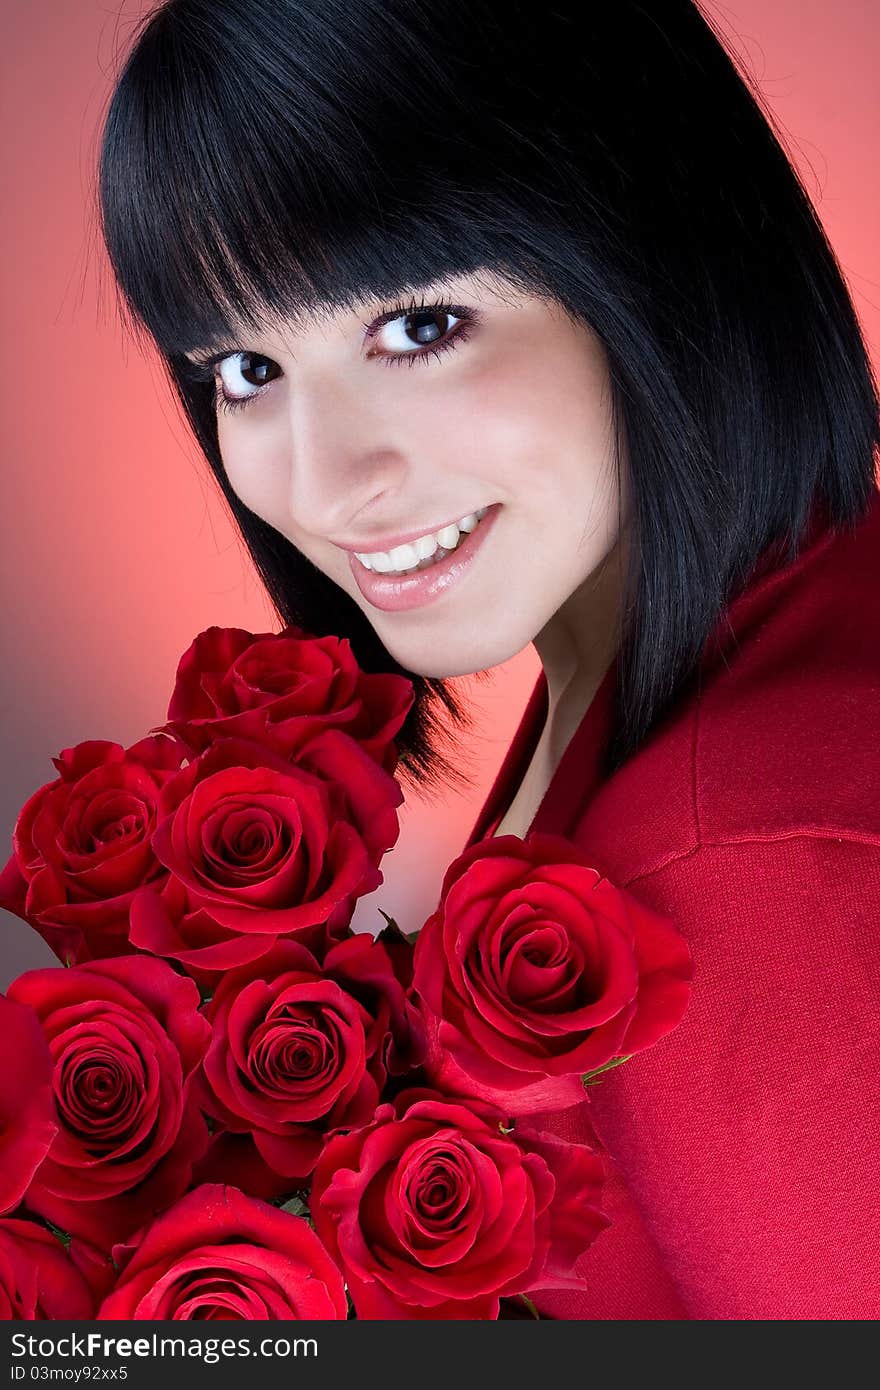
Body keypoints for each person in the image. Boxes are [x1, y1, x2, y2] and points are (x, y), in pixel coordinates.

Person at [97, 0, 880, 1317]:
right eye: (244, 366)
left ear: (655, 251)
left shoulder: (734, 869)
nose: (326, 483)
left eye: (417, 327)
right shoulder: (657, 661)